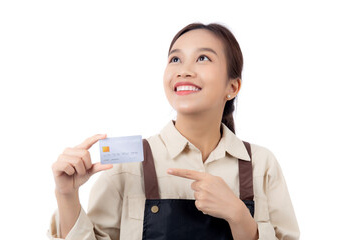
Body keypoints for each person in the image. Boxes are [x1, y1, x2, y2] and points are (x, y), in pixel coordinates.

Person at [48, 23, 300, 240]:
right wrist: (66, 194)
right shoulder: (129, 163)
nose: (183, 70)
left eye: (203, 58)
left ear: (232, 87)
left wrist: (239, 217)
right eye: (175, 59)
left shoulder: (261, 164)